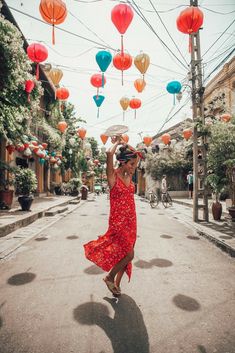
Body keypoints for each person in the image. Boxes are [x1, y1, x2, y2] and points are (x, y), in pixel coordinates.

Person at [84, 136, 141, 297]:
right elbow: (109, 153)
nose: (133, 168)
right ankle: (109, 277)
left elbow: (136, 153)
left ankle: (116, 284)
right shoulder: (113, 177)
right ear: (122, 162)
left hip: (131, 222)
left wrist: (125, 143)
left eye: (135, 166)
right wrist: (117, 142)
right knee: (129, 254)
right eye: (131, 164)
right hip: (119, 223)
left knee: (125, 254)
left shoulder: (129, 176)